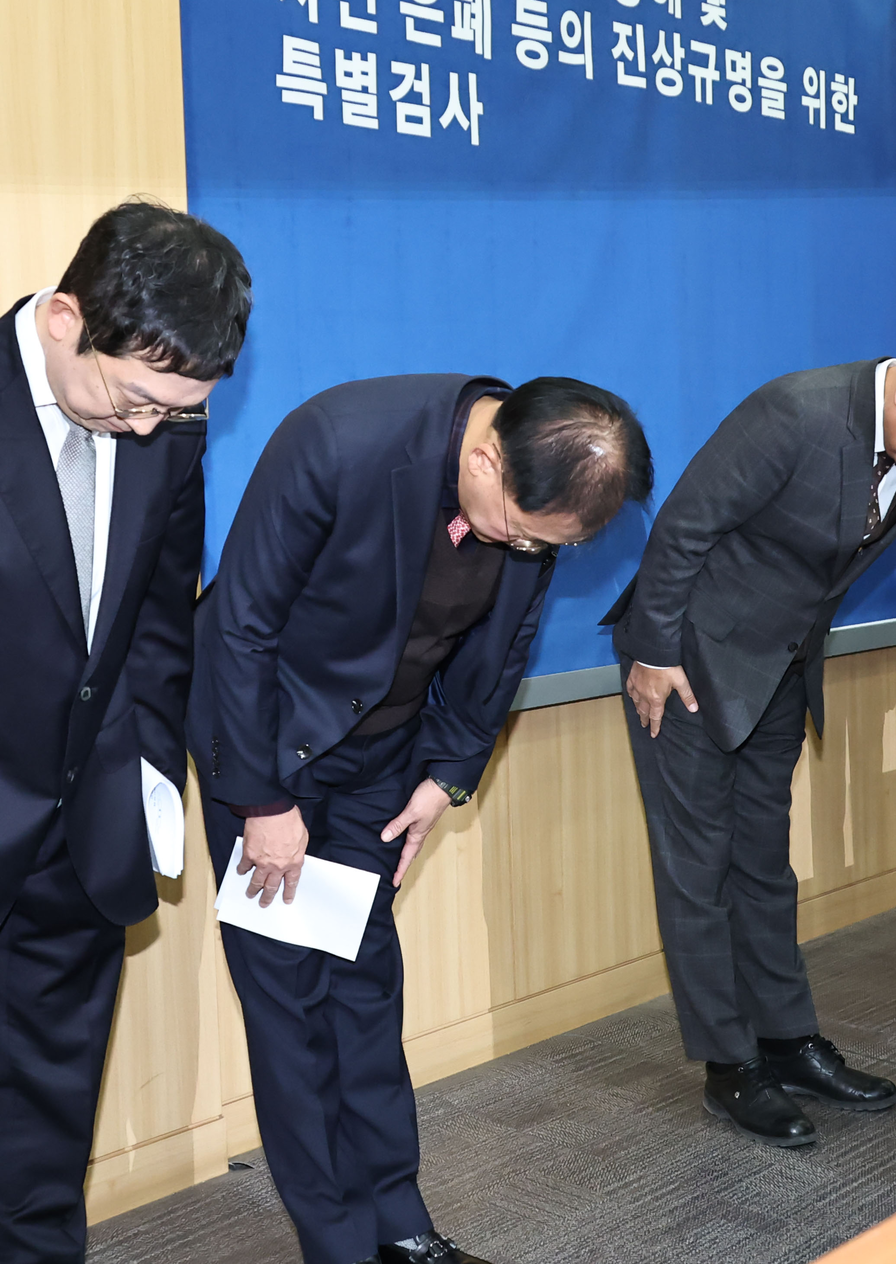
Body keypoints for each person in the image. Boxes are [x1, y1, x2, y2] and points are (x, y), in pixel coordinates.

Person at [188, 373, 651, 1264]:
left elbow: (507, 642)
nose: (521, 549)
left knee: (364, 980)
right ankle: (336, 1243)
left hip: (384, 760)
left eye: (544, 543)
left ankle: (399, 1224)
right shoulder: (338, 441)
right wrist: (261, 799)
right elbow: (240, 626)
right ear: (486, 456)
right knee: (287, 999)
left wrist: (446, 775)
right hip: (269, 749)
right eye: (517, 529)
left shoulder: (538, 493)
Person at [602, 327, 896, 1149]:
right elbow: (683, 530)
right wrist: (655, 651)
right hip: (689, 660)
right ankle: (730, 1065)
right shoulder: (795, 413)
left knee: (765, 862)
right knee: (698, 868)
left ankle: (787, 1039)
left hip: (774, 667)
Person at [0, 202, 251, 1264]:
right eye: (135, 399)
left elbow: (157, 612)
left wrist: (146, 774)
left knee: (47, 1117)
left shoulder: (168, 424)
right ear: (65, 317)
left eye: (177, 410)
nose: (151, 429)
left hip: (80, 833)